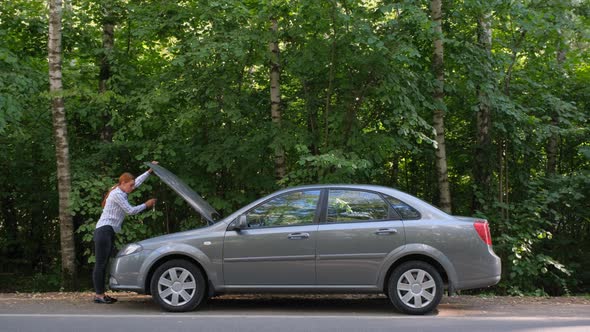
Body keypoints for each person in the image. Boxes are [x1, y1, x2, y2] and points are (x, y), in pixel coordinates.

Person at [93, 162, 158, 304]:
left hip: (107, 231)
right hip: (104, 231)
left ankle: (101, 294)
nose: (133, 188)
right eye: (131, 185)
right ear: (123, 183)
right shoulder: (117, 194)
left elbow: (137, 182)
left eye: (133, 185)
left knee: (104, 263)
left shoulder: (121, 190)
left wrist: (149, 171)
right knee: (100, 264)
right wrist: (146, 205)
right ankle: (99, 295)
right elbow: (130, 211)